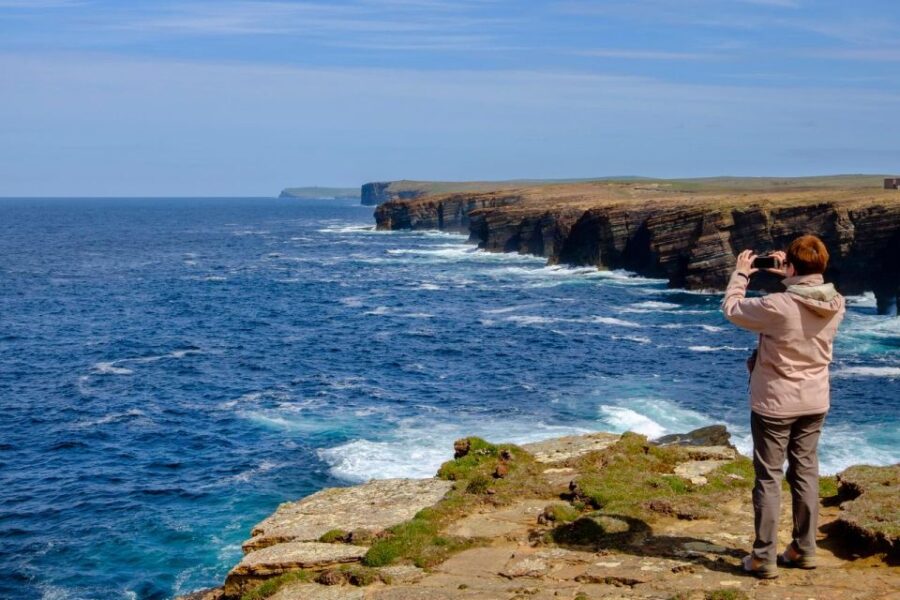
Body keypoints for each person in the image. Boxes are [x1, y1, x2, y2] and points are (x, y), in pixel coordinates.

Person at [721, 234, 845, 579]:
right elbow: (807, 296)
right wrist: (790, 276)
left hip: (775, 403)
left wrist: (742, 274)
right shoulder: (837, 302)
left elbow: (732, 309)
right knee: (805, 473)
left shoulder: (778, 306)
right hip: (815, 401)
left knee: (769, 478)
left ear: (791, 265)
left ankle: (763, 557)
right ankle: (804, 549)